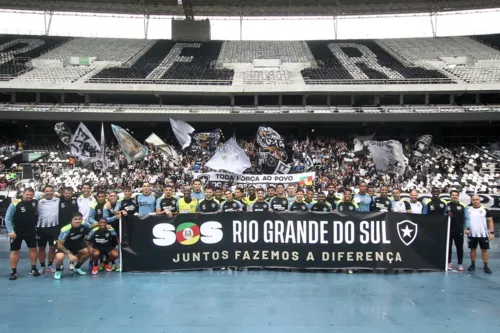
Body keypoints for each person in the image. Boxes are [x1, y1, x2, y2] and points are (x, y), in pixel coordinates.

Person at [5, 188, 41, 280]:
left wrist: (57, 194)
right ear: (23, 194)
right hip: (17, 231)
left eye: (30, 195)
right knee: (15, 251)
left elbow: (41, 194)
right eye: (27, 194)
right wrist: (10, 231)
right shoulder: (15, 203)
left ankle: (33, 268)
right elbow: (8, 218)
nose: (29, 196)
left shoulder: (34, 201)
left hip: (31, 231)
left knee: (33, 249)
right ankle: (13, 271)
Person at [53, 212, 92, 280]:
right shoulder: (66, 229)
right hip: (63, 245)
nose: (78, 221)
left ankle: (77, 267)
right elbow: (60, 245)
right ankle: (58, 270)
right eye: (75, 219)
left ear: (82, 219)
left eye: (79, 219)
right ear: (72, 220)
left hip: (74, 243)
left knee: (88, 252)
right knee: (60, 257)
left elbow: (93, 227)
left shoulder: (85, 224)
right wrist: (69, 254)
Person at [466, 195, 494, 274]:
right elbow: (466, 220)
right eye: (473, 200)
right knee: (472, 249)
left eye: (477, 199)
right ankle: (472, 264)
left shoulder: (485, 210)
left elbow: (490, 221)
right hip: (472, 234)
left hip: (483, 234)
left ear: (479, 200)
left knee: (484, 250)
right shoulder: (468, 210)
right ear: (471, 200)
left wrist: (491, 232)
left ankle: (485, 266)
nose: (475, 201)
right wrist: (466, 228)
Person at [36, 185, 60, 274]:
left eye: (51, 191)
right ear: (44, 192)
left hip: (54, 228)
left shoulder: (57, 200)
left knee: (52, 248)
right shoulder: (39, 201)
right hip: (41, 228)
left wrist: (59, 195)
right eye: (47, 191)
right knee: (41, 248)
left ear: (53, 191)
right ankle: (42, 266)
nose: (49, 192)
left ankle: (50, 265)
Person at [446, 190, 469, 271]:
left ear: (458, 196)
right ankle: (448, 262)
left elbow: (467, 218)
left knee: (459, 247)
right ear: (450, 196)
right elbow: (443, 216)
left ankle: (460, 263)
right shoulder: (446, 204)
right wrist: (447, 215)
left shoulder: (463, 206)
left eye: (456, 195)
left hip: (459, 230)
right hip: (448, 230)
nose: (454, 196)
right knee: (448, 247)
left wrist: (467, 228)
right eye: (453, 195)